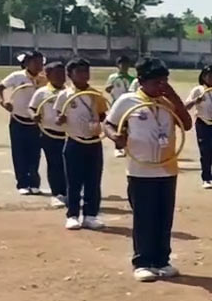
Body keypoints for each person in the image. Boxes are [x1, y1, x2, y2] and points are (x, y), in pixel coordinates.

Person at [104, 58, 193, 283]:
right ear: (142, 81)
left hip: (167, 169)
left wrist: (173, 97)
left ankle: (162, 260)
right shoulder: (127, 101)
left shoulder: (167, 101)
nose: (161, 86)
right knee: (144, 217)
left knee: (164, 217)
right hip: (140, 170)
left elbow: (187, 123)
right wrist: (116, 137)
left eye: (164, 81)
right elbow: (109, 123)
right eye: (156, 82)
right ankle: (142, 262)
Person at [55, 59, 106, 231]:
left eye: (86, 71)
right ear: (70, 75)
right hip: (74, 141)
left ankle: (91, 215)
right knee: (74, 181)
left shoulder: (96, 94)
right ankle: (73, 215)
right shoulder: (65, 95)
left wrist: (100, 126)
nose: (84, 75)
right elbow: (58, 116)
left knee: (93, 180)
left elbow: (103, 115)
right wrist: (60, 120)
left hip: (93, 141)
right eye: (79, 72)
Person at [0, 50, 46, 195]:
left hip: (36, 122)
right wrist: (3, 101)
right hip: (18, 119)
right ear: (27, 63)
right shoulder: (17, 76)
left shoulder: (45, 79)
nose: (38, 66)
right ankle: (22, 183)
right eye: (35, 62)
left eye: (40, 62)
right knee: (19, 152)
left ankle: (34, 183)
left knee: (35, 153)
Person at [29, 61, 68, 209]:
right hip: (49, 134)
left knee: (68, 164)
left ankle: (67, 192)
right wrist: (34, 116)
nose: (61, 77)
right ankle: (57, 194)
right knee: (54, 164)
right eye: (57, 74)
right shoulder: (42, 92)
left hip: (69, 135)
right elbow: (32, 108)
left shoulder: (69, 92)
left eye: (63, 74)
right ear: (48, 75)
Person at [106, 55, 135, 157]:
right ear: (117, 65)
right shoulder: (113, 77)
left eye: (126, 64)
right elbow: (107, 90)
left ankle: (127, 146)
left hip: (129, 105)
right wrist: (110, 87)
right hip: (116, 104)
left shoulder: (132, 78)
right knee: (117, 126)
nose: (124, 67)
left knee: (127, 126)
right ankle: (118, 148)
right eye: (122, 64)